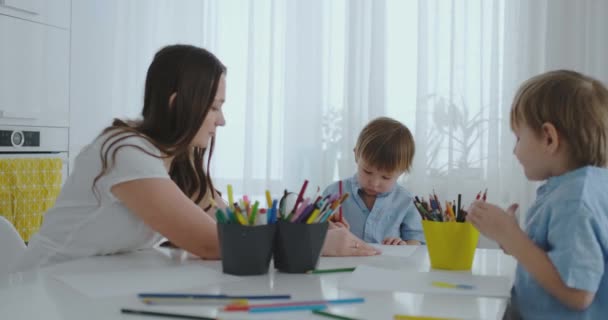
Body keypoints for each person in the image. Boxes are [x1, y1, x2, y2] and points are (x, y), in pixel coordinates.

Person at [13, 44, 378, 271]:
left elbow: (233, 223)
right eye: (215, 106)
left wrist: (303, 229)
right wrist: (314, 247)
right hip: (45, 285)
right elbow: (212, 243)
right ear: (178, 104)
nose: (222, 120)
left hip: (94, 285)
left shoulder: (178, 160)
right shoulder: (126, 150)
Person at [467, 70, 608, 319]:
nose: (514, 150)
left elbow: (578, 292)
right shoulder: (581, 188)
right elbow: (556, 261)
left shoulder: (576, 200)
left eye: (519, 137)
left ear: (549, 138)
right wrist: (515, 239)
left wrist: (511, 237)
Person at [322, 117, 424, 245]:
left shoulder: (405, 201)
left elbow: (417, 240)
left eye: (386, 177)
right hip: (341, 263)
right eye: (367, 171)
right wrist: (328, 228)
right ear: (356, 155)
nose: (374, 183)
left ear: (401, 171)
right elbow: (314, 232)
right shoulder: (334, 192)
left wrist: (403, 246)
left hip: (385, 264)